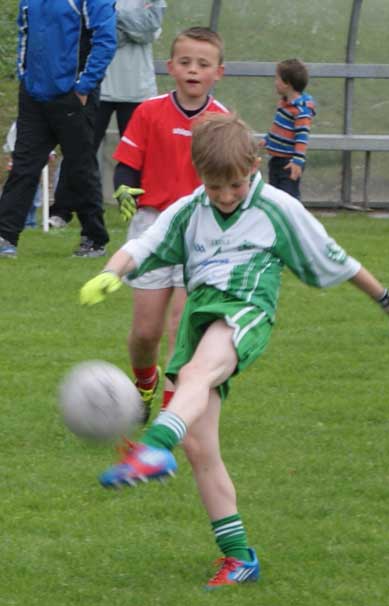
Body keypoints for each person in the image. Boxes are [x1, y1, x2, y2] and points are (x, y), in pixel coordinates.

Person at [79, 113, 389, 589]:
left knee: (200, 373)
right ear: (199, 173)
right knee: (201, 446)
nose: (225, 196)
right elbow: (143, 245)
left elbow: (336, 258)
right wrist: (110, 273)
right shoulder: (188, 209)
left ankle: (154, 447)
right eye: (215, 185)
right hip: (202, 317)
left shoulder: (277, 208)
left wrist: (388, 302)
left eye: (235, 185)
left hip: (244, 312)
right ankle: (239, 558)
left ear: (254, 165)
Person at [110, 26, 227, 418]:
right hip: (152, 228)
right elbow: (127, 166)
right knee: (146, 333)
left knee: (182, 328)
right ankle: (144, 382)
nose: (194, 70)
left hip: (202, 233)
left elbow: (237, 178)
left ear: (218, 72)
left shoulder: (222, 123)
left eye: (203, 64)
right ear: (170, 67)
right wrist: (124, 189)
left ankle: (170, 416)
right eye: (186, 62)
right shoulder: (148, 111)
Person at [0, 0, 116, 259]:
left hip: (73, 95)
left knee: (79, 167)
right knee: (23, 166)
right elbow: (24, 31)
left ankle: (94, 239)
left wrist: (84, 85)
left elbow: (105, 39)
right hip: (33, 95)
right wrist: (24, 76)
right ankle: (5, 236)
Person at [48, 0, 167, 231]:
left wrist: (111, 17)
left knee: (142, 155)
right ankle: (62, 210)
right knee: (79, 149)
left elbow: (149, 29)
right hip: (98, 85)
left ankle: (146, 207)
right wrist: (123, 25)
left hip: (137, 89)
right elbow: (91, 33)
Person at [262, 58, 316, 200]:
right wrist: (267, 140)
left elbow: (302, 138)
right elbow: (279, 128)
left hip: (288, 164)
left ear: (287, 84)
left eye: (277, 79)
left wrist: (297, 162)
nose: (275, 82)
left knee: (288, 200)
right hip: (276, 160)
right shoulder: (285, 104)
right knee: (275, 198)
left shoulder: (301, 111)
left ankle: (295, 221)